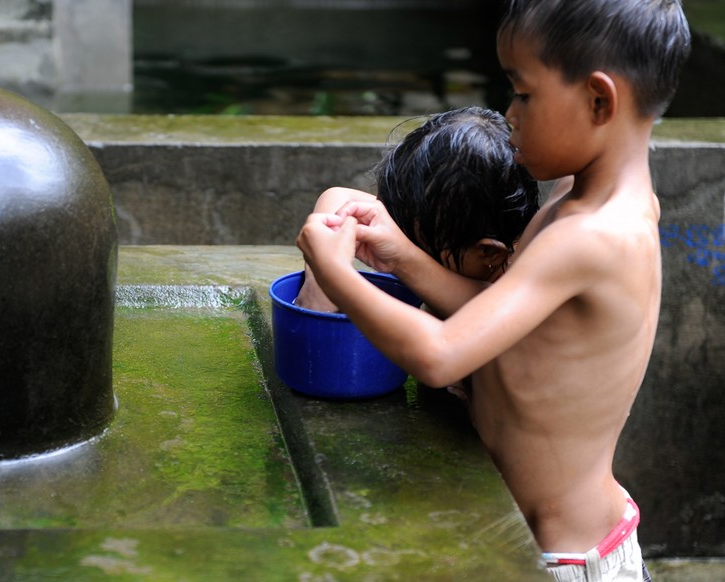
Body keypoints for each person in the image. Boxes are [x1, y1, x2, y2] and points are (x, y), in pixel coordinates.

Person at [296, 1, 690, 580]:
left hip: (563, 559)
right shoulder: (572, 200)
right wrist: (402, 257)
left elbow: (440, 354)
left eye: (524, 94)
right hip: (542, 534)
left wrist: (336, 275)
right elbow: (500, 322)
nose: (510, 114)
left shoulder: (592, 236)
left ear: (599, 100)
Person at [294, 106, 540, 314]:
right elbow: (338, 196)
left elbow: (489, 312)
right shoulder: (439, 222)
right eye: (401, 237)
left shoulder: (519, 292)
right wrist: (319, 284)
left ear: (489, 253)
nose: (403, 245)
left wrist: (340, 278)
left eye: (418, 249)